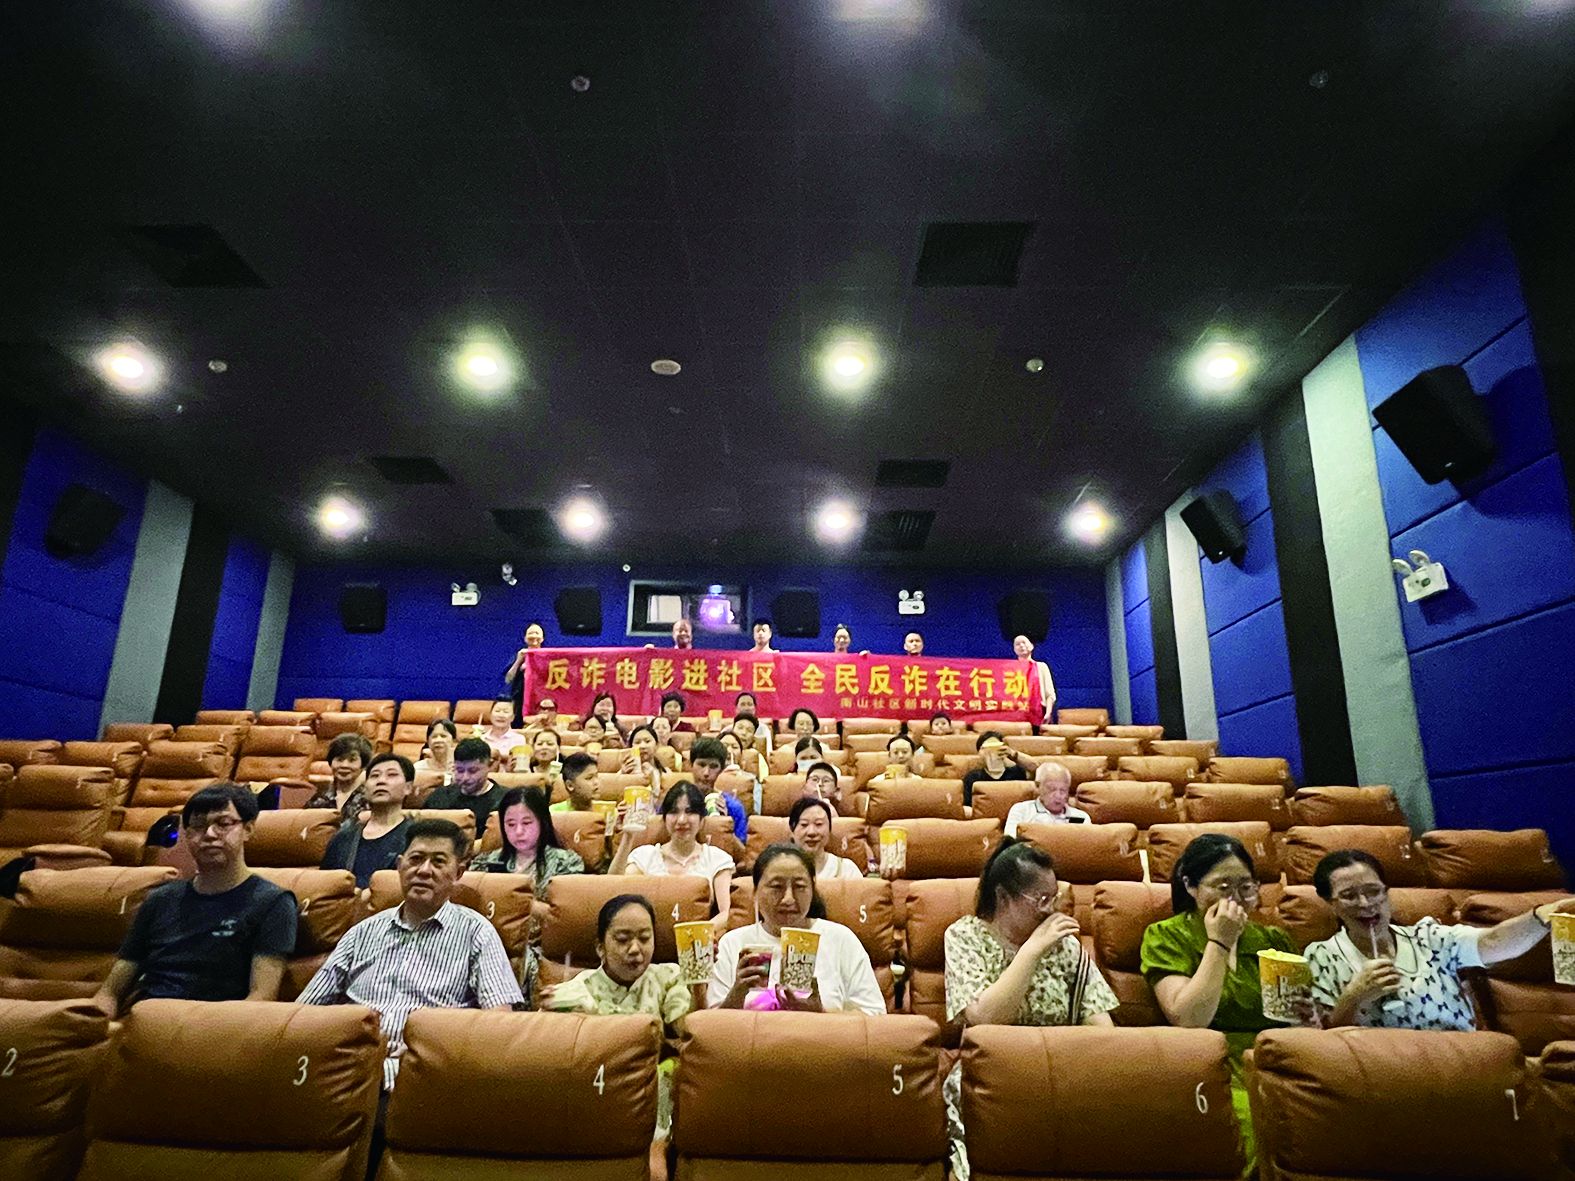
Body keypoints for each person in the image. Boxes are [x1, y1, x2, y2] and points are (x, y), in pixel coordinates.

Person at [300, 818, 523, 1093]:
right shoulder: (362, 933)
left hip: (425, 1081)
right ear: (400, 866)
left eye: (438, 862)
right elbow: (304, 1013)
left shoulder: (476, 933)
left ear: (459, 873)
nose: (424, 870)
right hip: (346, 1075)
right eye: (416, 859)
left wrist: (433, 1051)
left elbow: (498, 1025)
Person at [944, 840, 1117, 1180]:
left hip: (1063, 1078)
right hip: (990, 1081)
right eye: (1041, 900)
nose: (1051, 909)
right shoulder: (965, 936)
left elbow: (1104, 1034)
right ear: (1003, 897)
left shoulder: (1065, 946)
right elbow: (984, 1020)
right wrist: (1032, 949)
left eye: (1054, 897)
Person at [1140, 833, 1302, 1169]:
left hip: (1275, 1060)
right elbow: (1189, 1019)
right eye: (1223, 887)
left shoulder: (1274, 940)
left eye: (1246, 887)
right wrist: (1220, 943)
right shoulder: (1166, 935)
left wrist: (1308, 1016)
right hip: (1213, 1065)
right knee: (1258, 1135)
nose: (1237, 899)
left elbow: (1294, 1019)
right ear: (1191, 886)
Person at [1306, 849, 1575, 1031]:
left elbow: (1494, 942)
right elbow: (1325, 1041)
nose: (1365, 903)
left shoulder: (1429, 937)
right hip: (1382, 1075)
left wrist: (1543, 916)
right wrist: (1355, 997)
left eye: (1373, 891)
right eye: (1349, 896)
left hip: (1459, 1059)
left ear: (1387, 893)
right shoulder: (1322, 956)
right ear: (1330, 904)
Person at [94, 783, 297, 1015]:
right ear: (187, 834)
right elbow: (110, 992)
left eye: (223, 824)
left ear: (248, 829)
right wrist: (96, 1022)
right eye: (198, 826)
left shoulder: (273, 902)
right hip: (145, 1017)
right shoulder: (160, 899)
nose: (209, 834)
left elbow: (261, 999)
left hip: (213, 1024)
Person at [539, 895, 694, 1137]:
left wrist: (699, 981)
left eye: (645, 938)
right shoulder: (579, 990)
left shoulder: (668, 977)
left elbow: (689, 1032)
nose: (635, 949)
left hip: (656, 1099)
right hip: (598, 1093)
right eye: (622, 940)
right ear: (600, 947)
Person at [709, 844, 884, 1015]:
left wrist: (821, 1013)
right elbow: (710, 1025)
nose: (788, 899)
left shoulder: (841, 940)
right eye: (776, 887)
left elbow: (875, 1015)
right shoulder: (732, 943)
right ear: (755, 892)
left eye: (799, 887)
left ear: (812, 890)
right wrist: (736, 996)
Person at [608, 782, 735, 938]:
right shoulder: (645, 856)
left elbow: (727, 913)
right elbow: (613, 889)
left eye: (690, 812)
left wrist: (691, 935)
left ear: (702, 820)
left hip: (696, 941)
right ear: (664, 819)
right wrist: (628, 836)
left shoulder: (717, 858)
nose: (681, 820)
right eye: (674, 812)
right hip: (647, 940)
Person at [470, 787, 585, 909]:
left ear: (542, 822)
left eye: (526, 823)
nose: (518, 831)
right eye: (511, 824)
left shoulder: (566, 863)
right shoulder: (485, 863)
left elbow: (563, 913)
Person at [321, 753, 415, 888]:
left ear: (408, 787)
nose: (381, 781)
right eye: (374, 776)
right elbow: (324, 885)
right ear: (365, 788)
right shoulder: (343, 836)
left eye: (392, 775)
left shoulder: (415, 838)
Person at [423, 737, 509, 835]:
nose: (465, 778)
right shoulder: (440, 797)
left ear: (489, 766)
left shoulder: (505, 801)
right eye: (460, 770)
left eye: (473, 771)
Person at [1003, 763, 1089, 836]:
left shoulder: (1082, 817)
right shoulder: (1021, 811)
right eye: (1051, 789)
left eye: (1063, 790)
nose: (1058, 795)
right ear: (1038, 786)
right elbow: (1010, 842)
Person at [789, 796, 864, 878]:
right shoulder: (781, 870)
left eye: (818, 824)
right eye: (804, 824)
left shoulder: (847, 869)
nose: (811, 832)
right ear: (792, 831)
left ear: (829, 829)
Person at [305, 732, 373, 819]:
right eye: (339, 759)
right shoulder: (321, 796)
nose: (344, 765)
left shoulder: (372, 796)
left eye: (352, 760)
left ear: (363, 765)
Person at [693, 737, 749, 838]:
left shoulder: (733, 807)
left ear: (721, 770)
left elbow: (741, 847)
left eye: (713, 767)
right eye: (701, 765)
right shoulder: (675, 802)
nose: (706, 773)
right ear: (691, 765)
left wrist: (726, 826)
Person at [961, 732, 1032, 807]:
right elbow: (966, 806)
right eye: (984, 748)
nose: (990, 752)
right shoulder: (972, 777)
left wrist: (1013, 755)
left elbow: (1036, 769)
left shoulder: (1017, 772)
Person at [504, 622, 548, 724]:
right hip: (520, 700)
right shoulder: (519, 655)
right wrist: (518, 661)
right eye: (531, 633)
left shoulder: (547, 657)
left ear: (542, 639)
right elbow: (508, 679)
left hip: (540, 700)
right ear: (525, 638)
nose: (534, 636)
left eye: (537, 633)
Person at [1012, 634, 1057, 724]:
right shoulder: (1011, 669)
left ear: (1032, 646)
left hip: (1039, 711)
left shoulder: (1041, 666)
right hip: (1018, 713)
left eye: (1024, 642)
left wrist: (1048, 713)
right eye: (1017, 644)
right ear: (1014, 649)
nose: (1021, 645)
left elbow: (1050, 694)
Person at [413, 718, 459, 785]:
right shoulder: (418, 769)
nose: (438, 740)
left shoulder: (461, 769)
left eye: (443, 736)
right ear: (428, 741)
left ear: (454, 740)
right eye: (434, 736)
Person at [479, 698, 526, 763]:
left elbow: (518, 762)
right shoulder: (482, 739)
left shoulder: (518, 739)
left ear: (513, 717)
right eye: (497, 711)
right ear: (490, 715)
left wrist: (497, 756)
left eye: (506, 712)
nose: (501, 715)